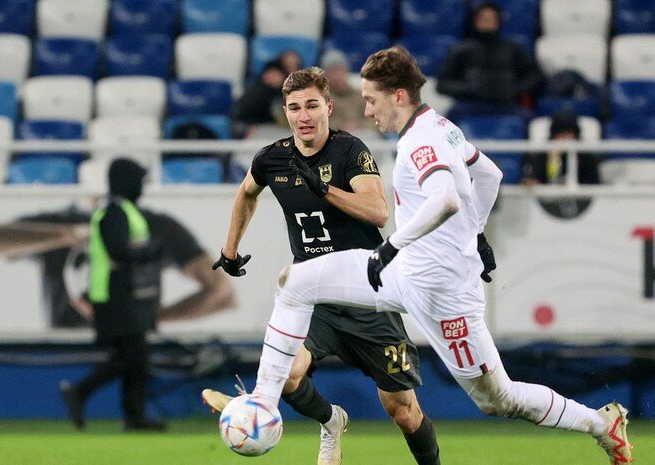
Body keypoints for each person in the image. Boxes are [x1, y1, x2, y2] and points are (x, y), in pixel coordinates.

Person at [228, 48, 633, 465]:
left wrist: (392, 245)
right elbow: (489, 174)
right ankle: (263, 402)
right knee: (294, 282)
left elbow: (445, 199)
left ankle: (600, 425)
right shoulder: (440, 125)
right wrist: (477, 232)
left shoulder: (418, 142)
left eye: (372, 100)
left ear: (398, 96)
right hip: (404, 275)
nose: (367, 110)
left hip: (441, 292)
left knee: (498, 399)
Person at [203, 67, 444, 465]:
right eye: (295, 107)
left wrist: (324, 189)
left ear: (328, 107)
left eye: (312, 105)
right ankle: (331, 421)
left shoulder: (350, 151)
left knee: (403, 411)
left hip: (367, 296)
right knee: (287, 375)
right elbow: (247, 192)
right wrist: (230, 249)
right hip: (315, 299)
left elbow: (379, 211)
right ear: (285, 112)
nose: (304, 116)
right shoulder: (272, 158)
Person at [0, 201, 237, 328]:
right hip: (69, 346)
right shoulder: (60, 222)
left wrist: (153, 318)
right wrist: (62, 236)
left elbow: (222, 293)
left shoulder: (157, 226)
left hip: (132, 340)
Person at [58, 159, 167, 432]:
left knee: (135, 357)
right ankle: (80, 391)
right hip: (114, 292)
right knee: (132, 356)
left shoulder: (122, 210)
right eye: (138, 180)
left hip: (124, 291)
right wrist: (149, 250)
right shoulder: (113, 212)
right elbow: (117, 250)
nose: (141, 186)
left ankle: (134, 417)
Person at [436, 2, 543, 121]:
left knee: (529, 119)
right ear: (475, 21)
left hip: (507, 105)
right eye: (483, 18)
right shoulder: (462, 50)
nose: (487, 22)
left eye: (491, 18)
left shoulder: (513, 49)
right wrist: (469, 88)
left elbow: (536, 77)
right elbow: (442, 84)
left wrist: (514, 89)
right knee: (448, 120)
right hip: (471, 105)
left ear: (499, 21)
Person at [522, 109, 600, 185]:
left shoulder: (586, 157)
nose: (565, 139)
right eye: (560, 135)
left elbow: (593, 184)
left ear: (576, 135)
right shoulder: (543, 156)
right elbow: (535, 180)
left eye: (568, 135)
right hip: (550, 194)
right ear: (553, 136)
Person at [320, 49, 377, 134]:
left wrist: (358, 126)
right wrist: (341, 127)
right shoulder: (322, 100)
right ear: (325, 76)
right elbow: (318, 124)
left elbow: (375, 121)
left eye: (340, 71)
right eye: (333, 72)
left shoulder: (361, 96)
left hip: (364, 137)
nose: (337, 76)